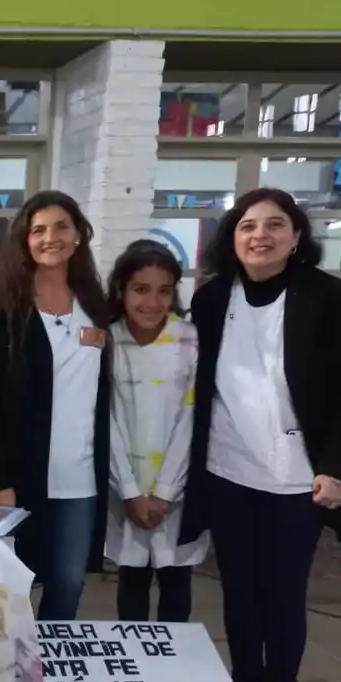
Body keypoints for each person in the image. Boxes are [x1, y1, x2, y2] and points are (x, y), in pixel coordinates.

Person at [178, 188, 341, 682]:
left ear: (296, 236)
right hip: (228, 469)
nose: (259, 235)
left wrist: (339, 468)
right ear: (232, 238)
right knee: (240, 593)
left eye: (274, 225)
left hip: (298, 477)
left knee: (283, 595)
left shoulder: (329, 297)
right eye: (247, 226)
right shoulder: (213, 299)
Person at [0, 191, 110, 621]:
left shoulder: (95, 305)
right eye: (39, 230)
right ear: (25, 241)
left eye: (62, 227)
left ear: (79, 234)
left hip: (80, 479)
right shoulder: (4, 311)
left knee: (68, 582)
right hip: (21, 478)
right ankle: (10, 672)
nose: (51, 238)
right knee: (13, 583)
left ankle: (49, 675)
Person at [105, 240, 207, 623]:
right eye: (141, 289)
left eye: (164, 291)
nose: (152, 302)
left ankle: (173, 671)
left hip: (175, 494)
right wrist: (130, 492)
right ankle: (139, 668)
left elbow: (191, 419)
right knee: (131, 579)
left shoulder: (191, 341)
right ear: (121, 290)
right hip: (124, 490)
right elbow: (108, 423)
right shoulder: (109, 341)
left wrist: (165, 492)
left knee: (176, 581)